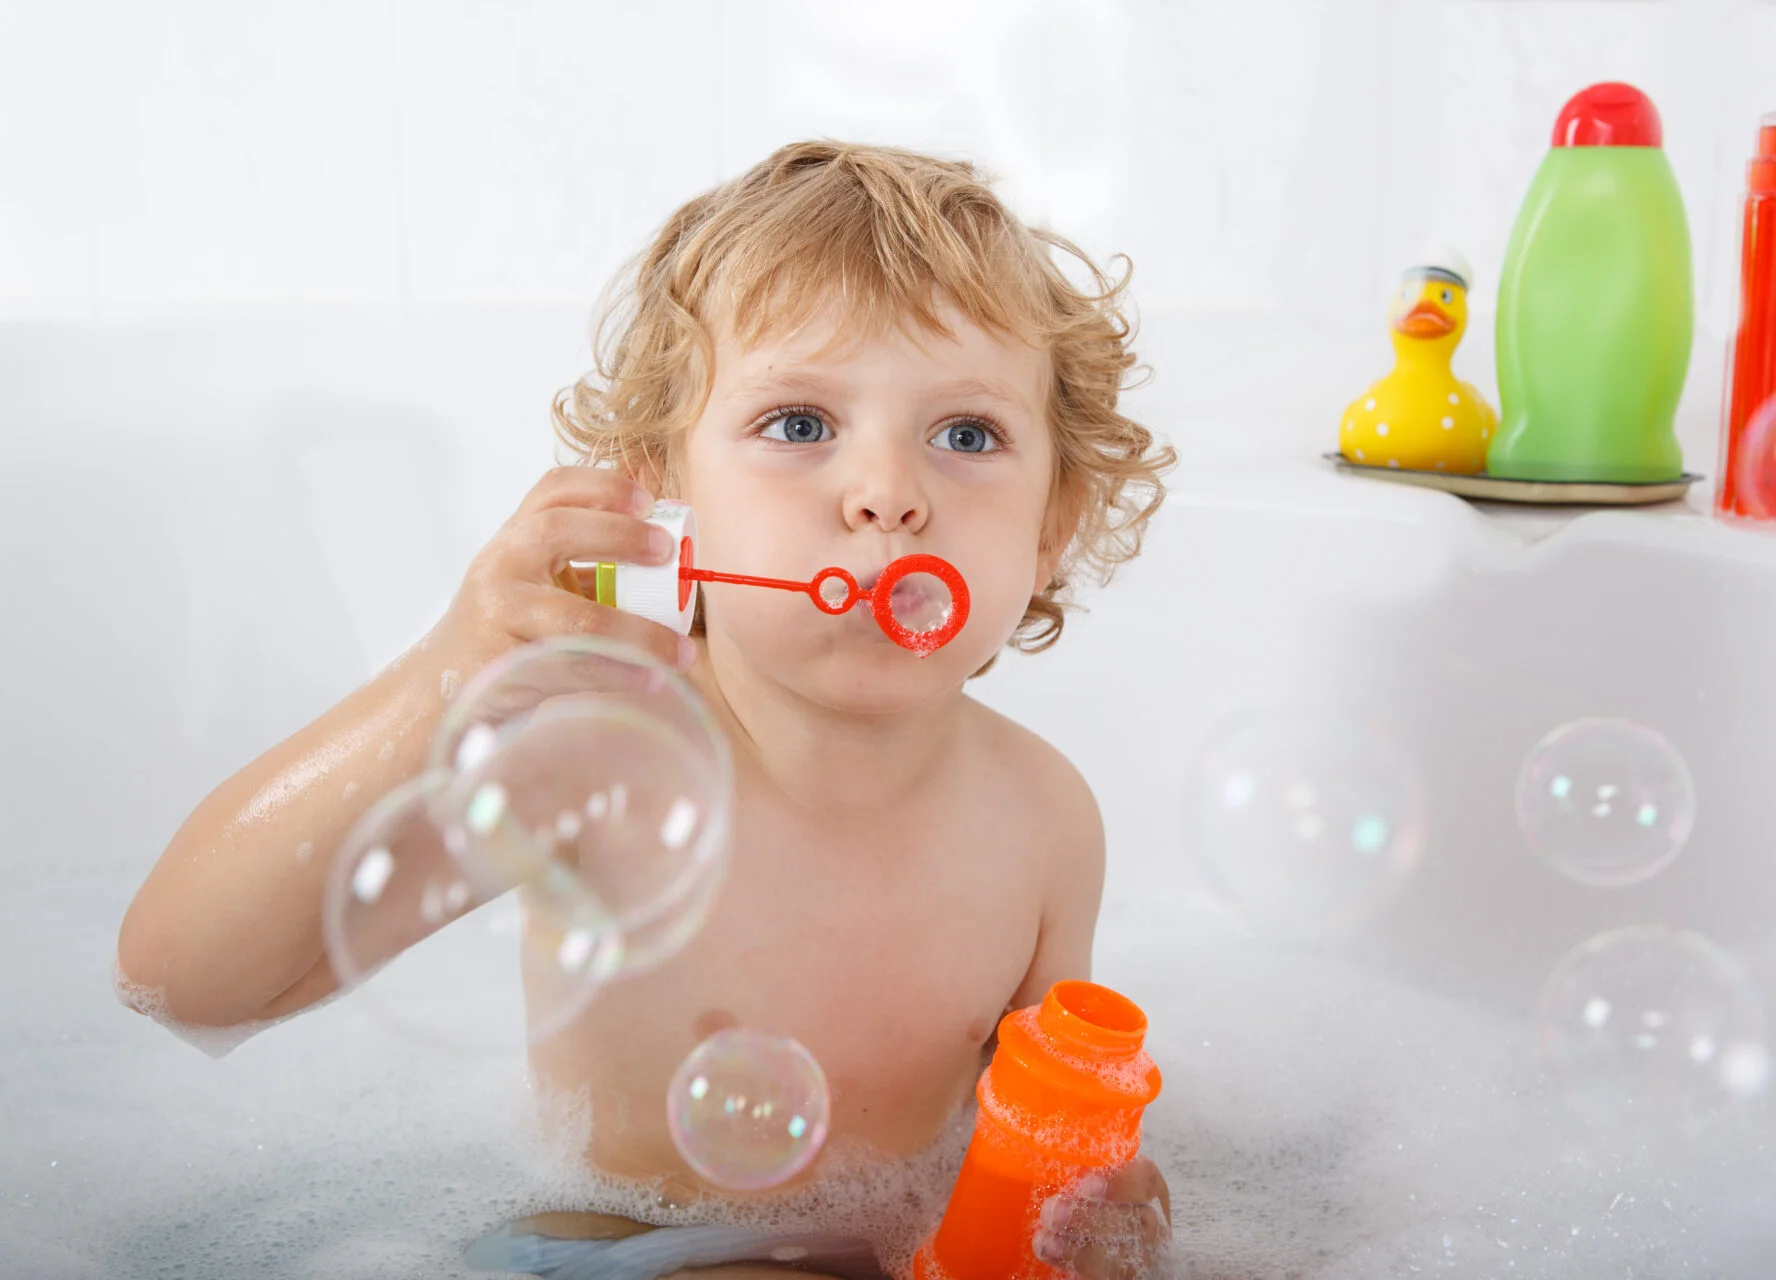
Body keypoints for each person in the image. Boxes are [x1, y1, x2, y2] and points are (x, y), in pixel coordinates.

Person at [118, 139, 1177, 1279]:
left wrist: (1094, 1200)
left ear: (1054, 520)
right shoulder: (601, 763)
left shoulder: (1045, 815)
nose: (888, 494)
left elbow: (1031, 1115)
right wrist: (449, 669)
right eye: (800, 424)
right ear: (661, 502)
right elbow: (180, 978)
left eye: (967, 435)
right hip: (621, 1242)